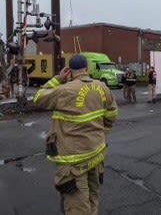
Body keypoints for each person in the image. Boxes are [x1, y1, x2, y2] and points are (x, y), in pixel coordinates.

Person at [32, 54, 118, 214]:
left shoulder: (64, 90)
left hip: (73, 160)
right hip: (96, 154)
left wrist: (58, 79)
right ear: (86, 68)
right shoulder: (102, 87)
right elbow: (112, 114)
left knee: (77, 207)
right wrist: (101, 133)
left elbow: (38, 98)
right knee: (93, 197)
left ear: (70, 71)